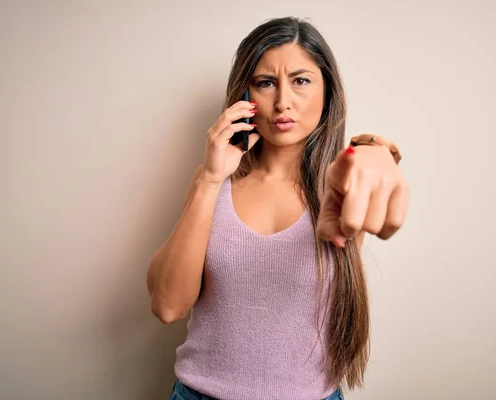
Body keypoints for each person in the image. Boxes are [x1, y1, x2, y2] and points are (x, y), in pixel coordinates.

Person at [147, 16, 409, 400]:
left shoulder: (340, 183)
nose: (283, 101)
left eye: (301, 81)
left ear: (327, 91)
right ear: (246, 94)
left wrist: (378, 149)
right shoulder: (214, 182)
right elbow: (168, 306)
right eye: (265, 82)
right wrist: (209, 178)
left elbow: (372, 163)